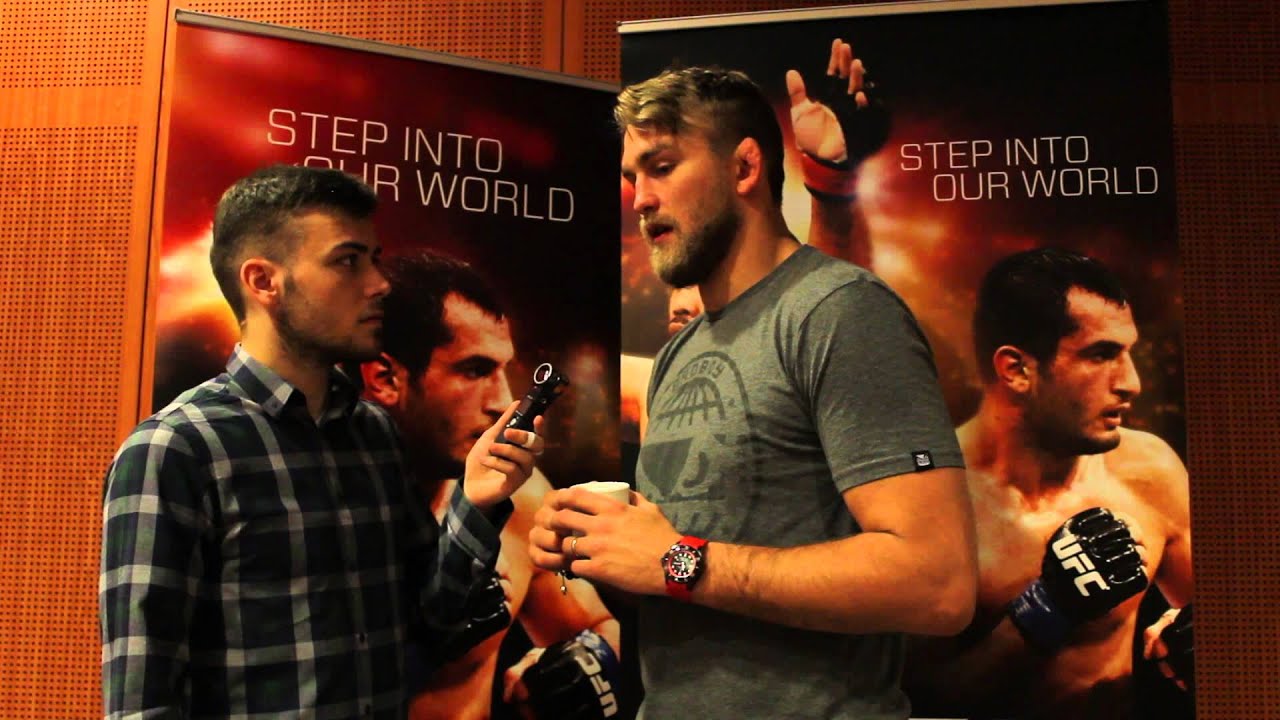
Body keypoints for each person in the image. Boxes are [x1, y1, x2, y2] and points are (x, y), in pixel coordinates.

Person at [530, 65, 979, 719]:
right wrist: (599, 546)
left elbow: (938, 584)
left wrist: (676, 561)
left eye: (661, 167)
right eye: (632, 177)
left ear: (744, 167)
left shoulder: (843, 312)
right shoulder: (679, 352)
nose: (640, 199)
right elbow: (682, 569)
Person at [100, 164, 543, 719]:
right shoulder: (176, 450)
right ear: (263, 282)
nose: (380, 283)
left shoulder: (374, 435)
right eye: (348, 261)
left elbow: (434, 625)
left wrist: (476, 502)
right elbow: (143, 701)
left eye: (375, 258)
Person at [904, 248, 1194, 719]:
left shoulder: (1148, 469)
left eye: (1127, 353)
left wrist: (1189, 646)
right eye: (1102, 354)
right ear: (1016, 369)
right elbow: (917, 700)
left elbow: (1233, 630)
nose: (1132, 383)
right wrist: (1047, 608)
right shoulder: (930, 498)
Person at [357, 250, 622, 720]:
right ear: (386, 378)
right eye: (475, 370)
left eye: (503, 370)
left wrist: (581, 666)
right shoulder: (318, 509)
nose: (503, 401)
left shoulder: (520, 495)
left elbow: (600, 626)